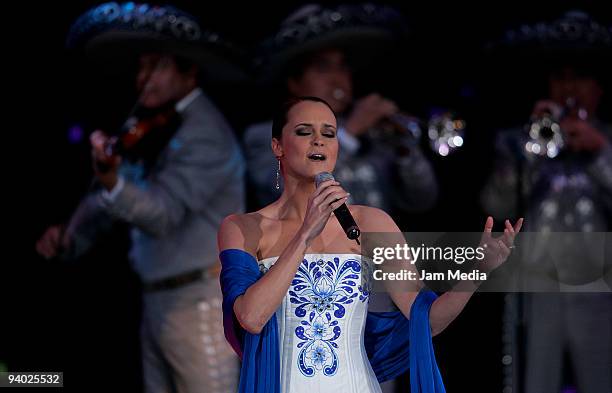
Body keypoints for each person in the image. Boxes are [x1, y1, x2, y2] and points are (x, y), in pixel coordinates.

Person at [219, 97, 523, 393]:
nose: (319, 141)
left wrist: (476, 271)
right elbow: (251, 318)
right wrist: (305, 235)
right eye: (304, 131)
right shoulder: (243, 228)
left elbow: (426, 321)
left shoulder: (372, 223)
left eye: (328, 133)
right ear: (277, 146)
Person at [35, 3, 244, 392]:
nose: (144, 78)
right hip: (159, 299)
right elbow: (109, 196)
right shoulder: (153, 126)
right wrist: (71, 234)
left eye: (157, 67)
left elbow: (161, 214)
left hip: (199, 303)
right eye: (141, 67)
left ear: (189, 70)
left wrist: (113, 180)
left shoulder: (205, 132)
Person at [481, 10, 612, 393]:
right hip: (538, 290)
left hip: (601, 291)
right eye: (560, 78)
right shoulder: (516, 141)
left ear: (599, 88)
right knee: (534, 381)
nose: (569, 88)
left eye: (580, 78)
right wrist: (531, 149)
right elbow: (495, 205)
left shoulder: (609, 138)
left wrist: (601, 150)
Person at [244, 3, 438, 216]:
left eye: (343, 67)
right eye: (323, 68)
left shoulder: (374, 133)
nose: (338, 80)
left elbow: (421, 200)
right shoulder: (265, 136)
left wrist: (406, 151)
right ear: (294, 83)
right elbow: (292, 195)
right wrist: (349, 134)